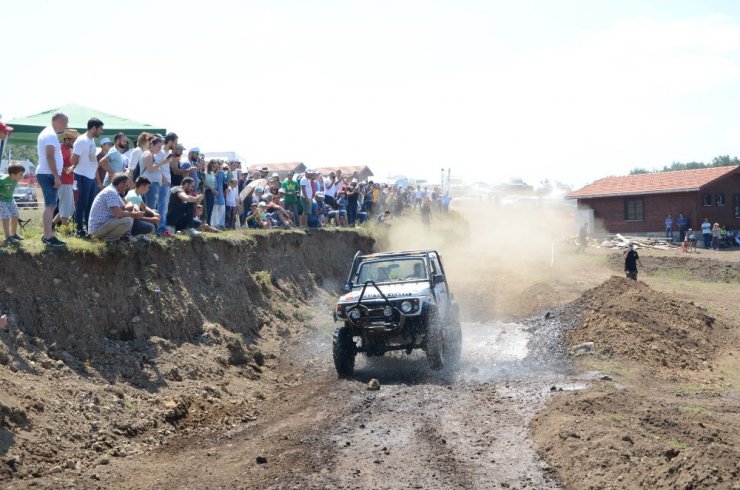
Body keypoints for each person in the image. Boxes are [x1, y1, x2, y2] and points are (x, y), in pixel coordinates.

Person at [36, 111, 69, 247]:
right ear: (59, 121)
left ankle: (48, 235)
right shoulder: (50, 135)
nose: (66, 126)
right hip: (48, 174)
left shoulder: (49, 133)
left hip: (47, 173)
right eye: (65, 123)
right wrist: (56, 176)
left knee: (50, 205)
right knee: (50, 206)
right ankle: (48, 237)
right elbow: (49, 156)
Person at [71, 117, 105, 237]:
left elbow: (92, 159)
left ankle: (88, 229)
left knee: (89, 204)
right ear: (94, 128)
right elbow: (73, 159)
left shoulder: (90, 141)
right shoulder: (82, 141)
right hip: (82, 175)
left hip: (90, 176)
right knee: (82, 204)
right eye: (101, 129)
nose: (102, 132)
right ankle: (79, 230)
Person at [88, 173, 140, 241]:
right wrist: (134, 214)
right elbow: (119, 214)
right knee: (128, 220)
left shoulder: (113, 191)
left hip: (103, 226)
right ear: (121, 184)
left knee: (129, 217)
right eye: (127, 185)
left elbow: (124, 207)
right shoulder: (111, 192)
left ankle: (121, 237)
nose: (127, 188)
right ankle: (109, 240)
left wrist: (134, 206)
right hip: (97, 229)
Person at [52, 128, 79, 229]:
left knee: (70, 208)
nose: (75, 142)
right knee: (66, 209)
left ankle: (51, 225)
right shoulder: (62, 150)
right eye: (73, 140)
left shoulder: (68, 150)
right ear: (67, 139)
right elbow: (58, 166)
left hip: (68, 182)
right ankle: (66, 231)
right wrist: (70, 169)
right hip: (64, 182)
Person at [0, 163, 25, 245]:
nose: (22, 176)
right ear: (13, 175)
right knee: (6, 216)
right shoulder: (3, 180)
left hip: (10, 199)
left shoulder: (15, 180)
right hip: (1, 200)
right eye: (20, 174)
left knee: (15, 215)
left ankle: (13, 234)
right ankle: (7, 237)